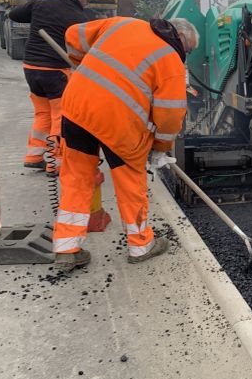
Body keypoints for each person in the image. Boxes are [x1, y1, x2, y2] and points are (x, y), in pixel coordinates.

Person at [52, 16, 199, 272]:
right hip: (120, 125)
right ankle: (141, 246)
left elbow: (73, 34)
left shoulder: (124, 23)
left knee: (76, 178)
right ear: (181, 38)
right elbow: (170, 114)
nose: (186, 54)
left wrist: (80, 63)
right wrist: (162, 149)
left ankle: (66, 248)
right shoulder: (171, 61)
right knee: (131, 183)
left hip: (77, 109)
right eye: (189, 49)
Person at [8, 0, 96, 174]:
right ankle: (55, 162)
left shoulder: (40, 2)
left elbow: (14, 14)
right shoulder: (79, 16)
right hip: (55, 70)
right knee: (59, 116)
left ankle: (34, 155)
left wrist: (38, 16)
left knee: (42, 113)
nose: (87, 4)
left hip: (31, 67)